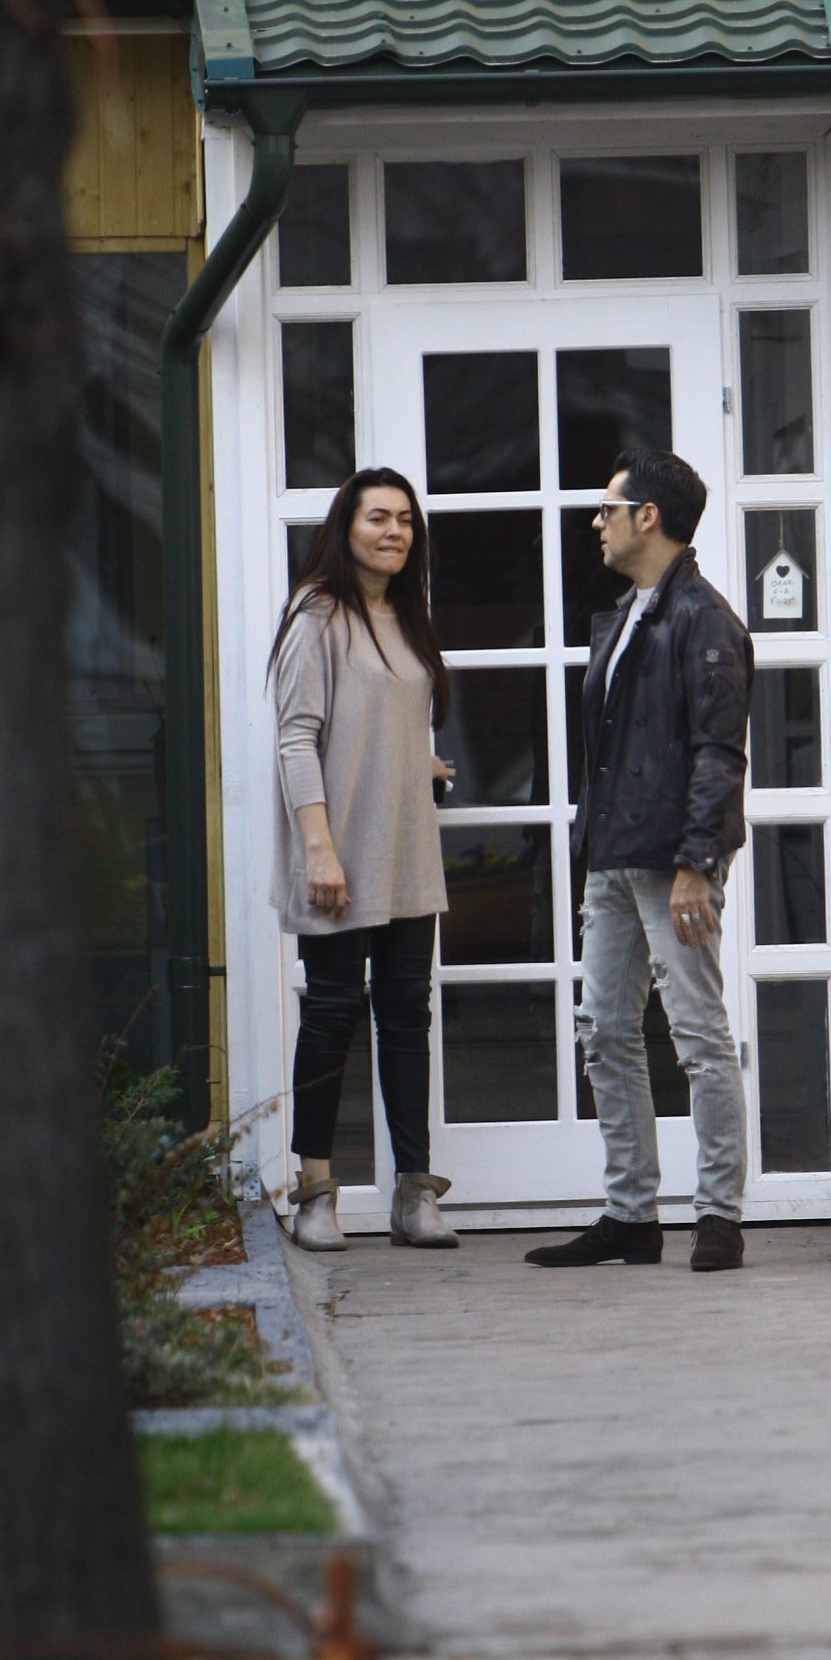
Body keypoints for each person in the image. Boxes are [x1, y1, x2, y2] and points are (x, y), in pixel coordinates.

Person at [527, 450, 754, 1274]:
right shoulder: (625, 613)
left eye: (608, 508)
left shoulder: (704, 619)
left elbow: (718, 752)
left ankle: (719, 1215)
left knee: (696, 1034)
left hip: (671, 861)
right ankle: (630, 1215)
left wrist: (696, 861)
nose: (597, 521)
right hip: (613, 856)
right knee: (604, 1032)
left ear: (646, 517)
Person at [268, 468, 456, 1253]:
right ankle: (315, 1193)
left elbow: (387, 717)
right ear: (344, 526)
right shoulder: (317, 613)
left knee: (407, 1016)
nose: (394, 531)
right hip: (339, 853)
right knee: (331, 1014)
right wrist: (318, 850)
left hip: (407, 853)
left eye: (405, 519)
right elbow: (296, 738)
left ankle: (413, 1193)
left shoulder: (406, 616)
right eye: (378, 517)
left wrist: (418, 762)